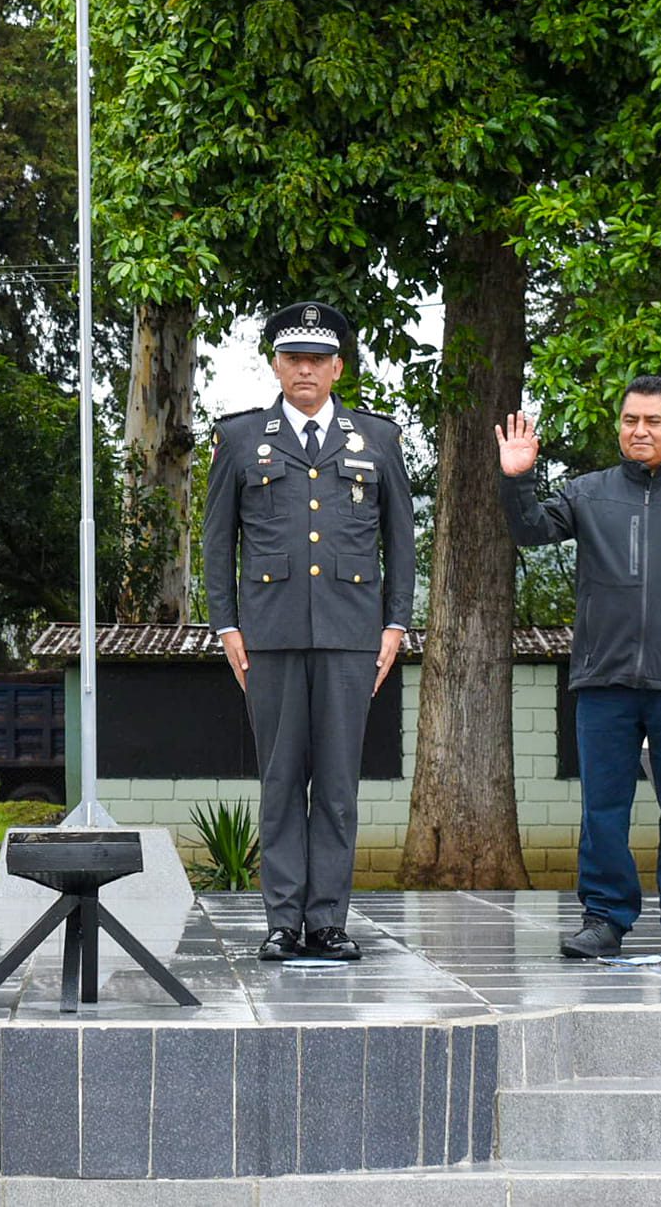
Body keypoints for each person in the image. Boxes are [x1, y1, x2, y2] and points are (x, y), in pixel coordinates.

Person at [497, 378, 661, 960]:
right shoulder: (589, 492)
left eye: (653, 421)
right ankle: (605, 916)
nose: (639, 431)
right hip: (602, 681)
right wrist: (517, 478)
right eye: (630, 420)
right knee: (604, 806)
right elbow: (531, 530)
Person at [202, 301, 416, 962]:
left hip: (353, 634)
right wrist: (226, 624)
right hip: (269, 633)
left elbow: (401, 539)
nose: (305, 370)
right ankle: (282, 920)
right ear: (276, 363)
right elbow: (217, 538)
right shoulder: (242, 439)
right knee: (280, 780)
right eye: (294, 358)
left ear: (337, 368)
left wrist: (397, 623)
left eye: (318, 360)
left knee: (338, 785)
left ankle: (327, 920)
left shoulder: (375, 439)